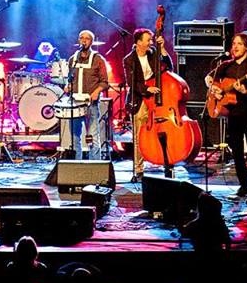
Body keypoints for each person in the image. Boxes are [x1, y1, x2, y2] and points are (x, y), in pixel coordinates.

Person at [206, 33, 247, 202]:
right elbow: (208, 79)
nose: (235, 47)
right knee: (237, 152)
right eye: (233, 44)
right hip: (232, 114)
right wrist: (215, 90)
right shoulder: (226, 65)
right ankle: (244, 186)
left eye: (239, 44)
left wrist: (244, 91)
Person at [122, 27, 173, 180]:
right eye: (148, 40)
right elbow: (132, 83)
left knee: (164, 133)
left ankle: (167, 164)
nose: (151, 42)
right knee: (138, 136)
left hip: (156, 97)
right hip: (139, 99)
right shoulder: (128, 60)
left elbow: (169, 66)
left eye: (151, 40)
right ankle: (138, 169)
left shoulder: (154, 53)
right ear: (138, 42)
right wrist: (147, 88)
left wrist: (162, 48)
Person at [64, 30, 111, 160]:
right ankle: (76, 166)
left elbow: (105, 82)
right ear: (79, 40)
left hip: (90, 103)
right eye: (81, 38)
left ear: (91, 41)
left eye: (87, 38)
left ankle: (95, 167)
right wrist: (68, 86)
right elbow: (71, 79)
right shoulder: (72, 59)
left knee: (92, 137)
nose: (84, 40)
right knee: (74, 137)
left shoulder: (98, 59)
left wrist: (96, 92)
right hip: (75, 103)